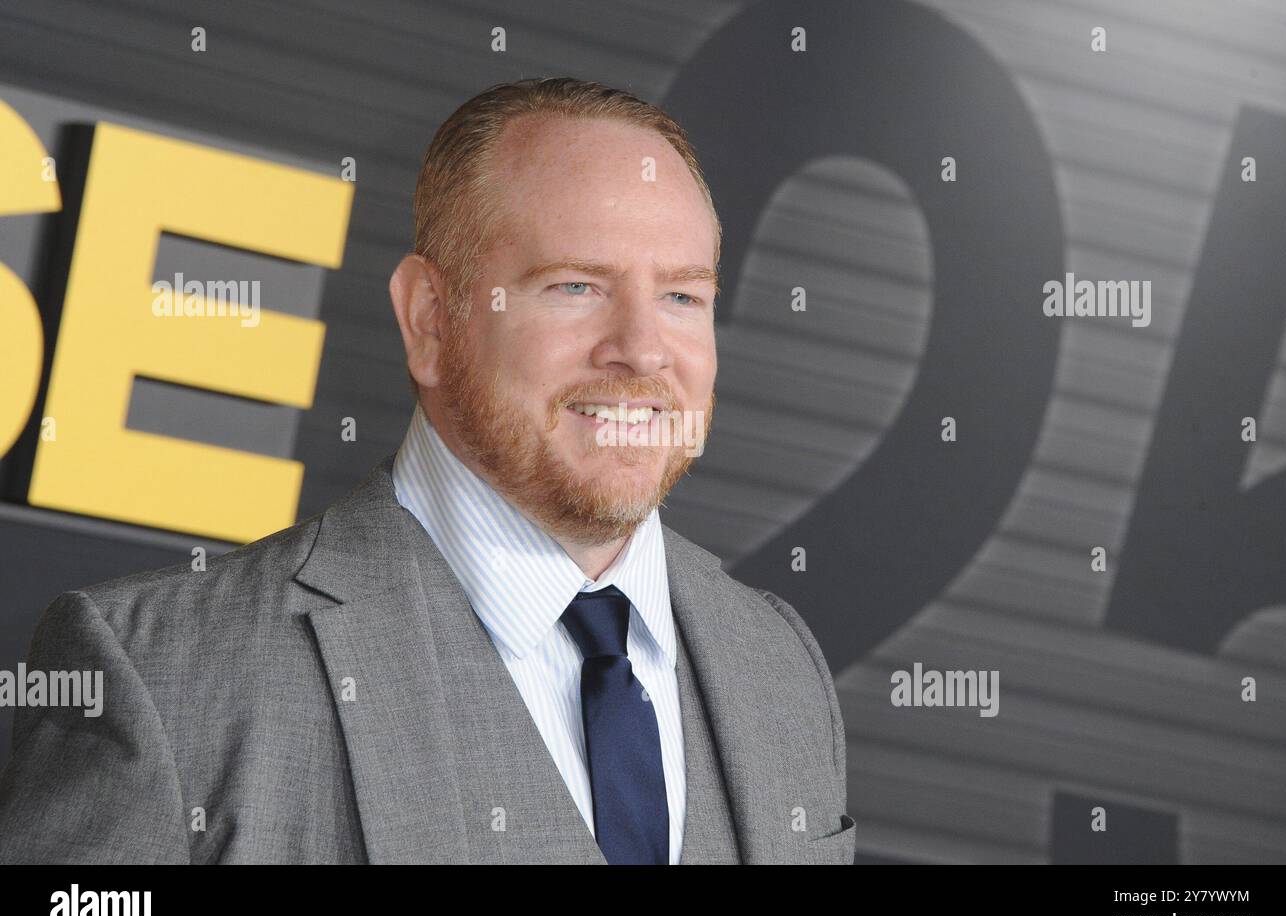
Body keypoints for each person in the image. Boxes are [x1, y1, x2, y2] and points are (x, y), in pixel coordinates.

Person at [0, 77, 853, 864]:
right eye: (574, 287)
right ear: (429, 321)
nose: (641, 350)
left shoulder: (779, 663)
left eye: (682, 296)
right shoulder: (162, 677)